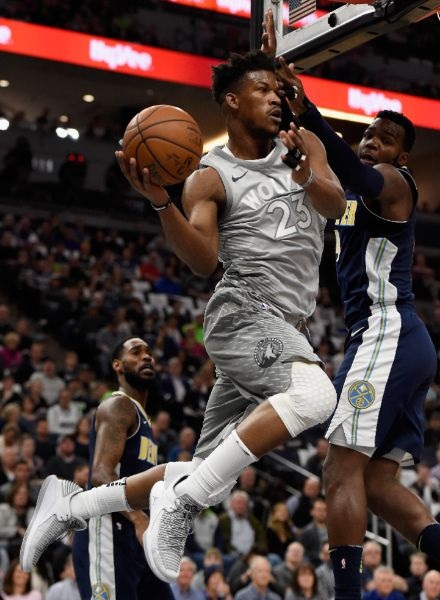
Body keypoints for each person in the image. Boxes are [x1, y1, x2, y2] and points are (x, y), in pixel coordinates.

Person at [18, 12, 345, 581]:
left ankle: (70, 506)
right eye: (262, 90)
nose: (275, 97)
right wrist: (161, 203)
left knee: (204, 471)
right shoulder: (209, 175)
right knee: (316, 397)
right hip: (244, 312)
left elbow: (334, 203)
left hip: (286, 326)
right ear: (232, 102)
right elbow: (202, 261)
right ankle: (182, 502)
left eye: (278, 89)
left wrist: (304, 174)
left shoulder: (304, 144)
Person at [278, 58, 439, 600]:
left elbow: (357, 172)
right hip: (400, 341)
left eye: (385, 139)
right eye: (368, 134)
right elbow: (325, 180)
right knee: (376, 482)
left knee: (339, 468)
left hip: (387, 334)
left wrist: (309, 111)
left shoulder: (395, 182)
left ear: (402, 156)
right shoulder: (349, 199)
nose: (372, 142)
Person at [71, 337, 174, 600]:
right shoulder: (118, 406)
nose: (147, 357)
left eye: (149, 352)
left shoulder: (143, 419)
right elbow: (101, 474)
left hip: (135, 534)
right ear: (118, 365)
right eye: (136, 352)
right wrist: (139, 519)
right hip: (108, 527)